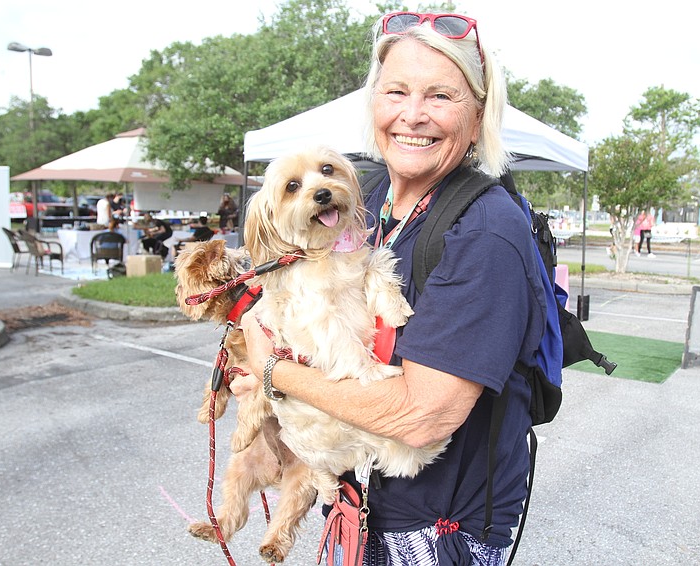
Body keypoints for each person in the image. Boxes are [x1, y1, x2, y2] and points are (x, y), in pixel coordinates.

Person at [232, 11, 547, 565]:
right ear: (373, 102)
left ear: (477, 117)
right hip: (356, 505)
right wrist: (270, 370)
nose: (413, 114)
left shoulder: (486, 231)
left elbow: (421, 417)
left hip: (433, 531)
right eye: (395, 90)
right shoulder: (364, 194)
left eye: (441, 96)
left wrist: (274, 372)